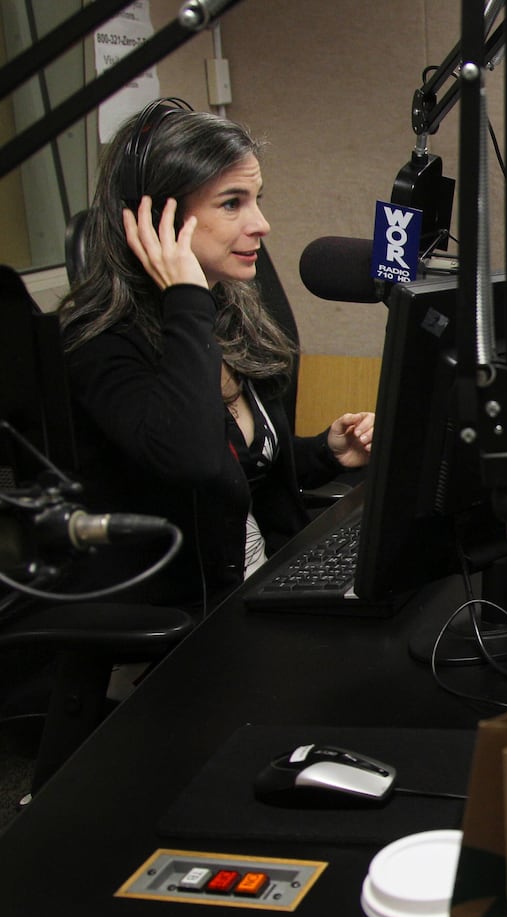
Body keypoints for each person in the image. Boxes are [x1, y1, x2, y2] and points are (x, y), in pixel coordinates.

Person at [57, 100, 374, 612]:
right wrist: (184, 298)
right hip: (206, 619)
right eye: (232, 203)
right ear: (158, 216)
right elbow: (196, 461)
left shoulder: (227, 312)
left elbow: (239, 469)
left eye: (257, 199)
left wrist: (324, 453)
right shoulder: (100, 343)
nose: (262, 224)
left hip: (273, 581)